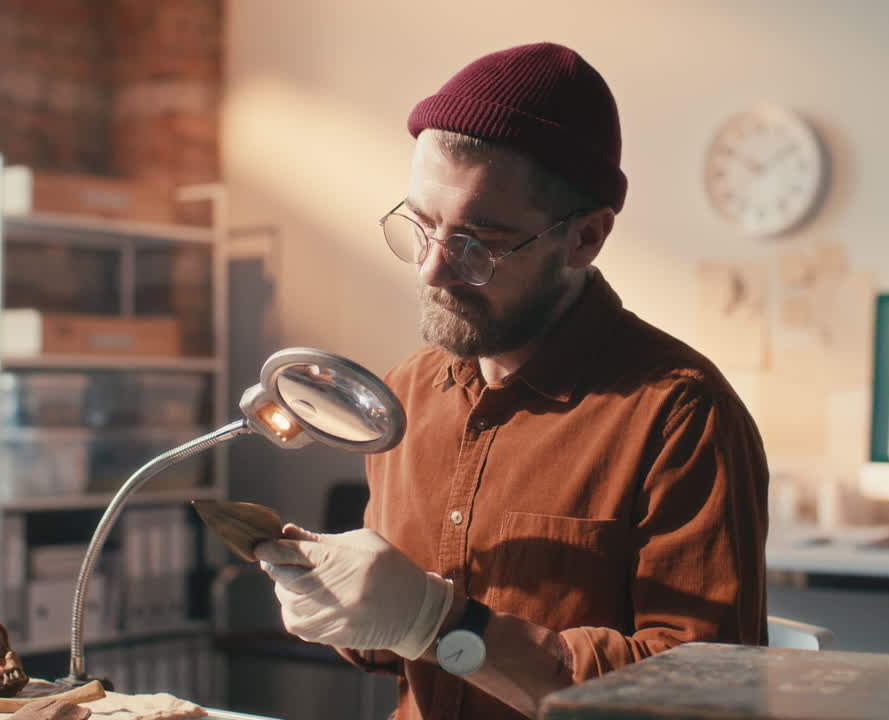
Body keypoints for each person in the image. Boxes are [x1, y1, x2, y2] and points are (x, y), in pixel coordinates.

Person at [253, 42, 770, 720]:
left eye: (478, 244)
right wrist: (344, 609)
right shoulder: (404, 395)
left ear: (585, 238)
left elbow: (704, 698)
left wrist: (444, 625)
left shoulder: (681, 415)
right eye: (422, 225)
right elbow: (393, 647)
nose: (432, 271)